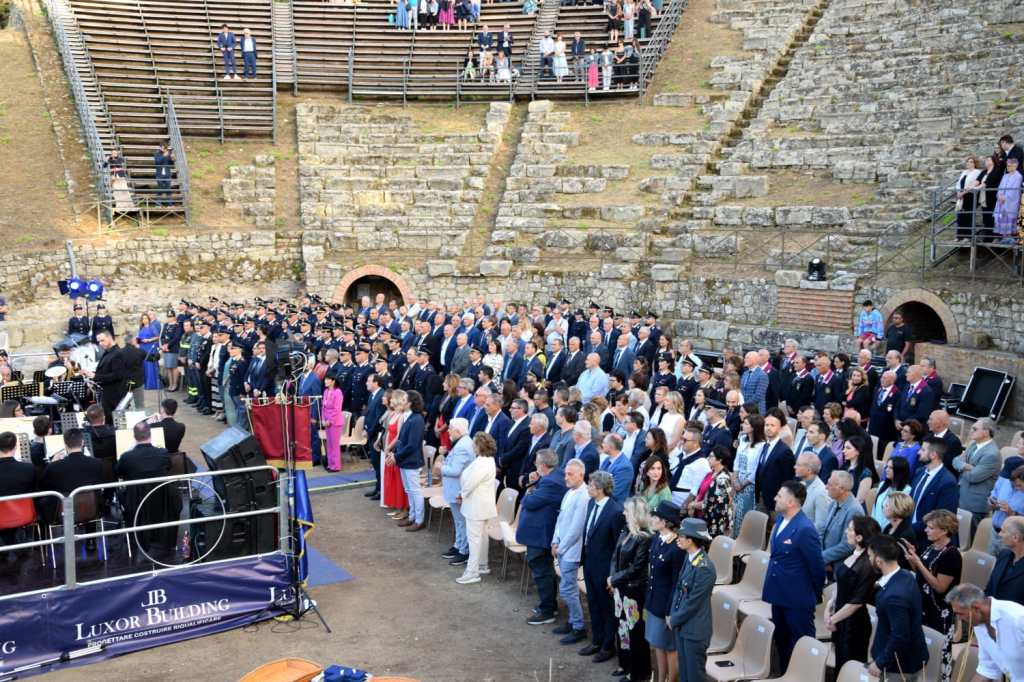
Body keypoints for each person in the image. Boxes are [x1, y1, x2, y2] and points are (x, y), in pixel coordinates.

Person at [762, 480, 825, 669]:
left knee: (801, 644)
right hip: (779, 594)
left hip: (797, 598)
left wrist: (811, 594)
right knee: (782, 642)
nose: (775, 498)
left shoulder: (805, 529)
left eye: (779, 496)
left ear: (791, 502)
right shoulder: (781, 520)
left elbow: (817, 568)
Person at [902, 509, 961, 679]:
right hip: (923, 607)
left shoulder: (952, 555)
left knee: (939, 655)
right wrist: (913, 558)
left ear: (944, 530)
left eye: (931, 528)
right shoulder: (931, 547)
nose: (926, 530)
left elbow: (940, 587)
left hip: (938, 612)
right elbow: (922, 575)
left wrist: (918, 563)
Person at [867, 535, 929, 680]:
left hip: (899, 665)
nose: (868, 560)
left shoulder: (894, 597)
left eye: (869, 556)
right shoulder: (906, 575)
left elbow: (900, 636)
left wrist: (880, 663)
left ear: (879, 561)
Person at [516, 449, 567, 624]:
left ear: (544, 466)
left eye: (537, 464)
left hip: (541, 534)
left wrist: (531, 489)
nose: (535, 466)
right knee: (545, 570)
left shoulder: (551, 483)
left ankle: (547, 610)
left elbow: (529, 502)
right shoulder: (554, 476)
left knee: (542, 571)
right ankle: (549, 605)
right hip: (541, 532)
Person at [579, 470, 625, 662]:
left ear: (599, 489)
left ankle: (608, 646)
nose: (587, 487)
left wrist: (612, 575)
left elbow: (618, 547)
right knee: (593, 604)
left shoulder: (615, 511)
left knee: (606, 608)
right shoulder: (591, 503)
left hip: (604, 569)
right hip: (590, 563)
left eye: (590, 485)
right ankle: (597, 640)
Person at [826, 516, 881, 671]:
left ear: (859, 537)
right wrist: (829, 607)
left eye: (850, 529)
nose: (846, 532)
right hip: (840, 618)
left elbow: (857, 602)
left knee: (849, 668)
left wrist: (833, 619)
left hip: (854, 625)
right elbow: (841, 584)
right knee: (840, 665)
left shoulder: (867, 564)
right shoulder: (853, 553)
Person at [608, 497, 652, 682]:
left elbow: (637, 567)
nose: (624, 513)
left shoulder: (644, 538)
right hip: (620, 588)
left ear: (635, 514)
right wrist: (612, 578)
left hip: (634, 591)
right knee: (621, 628)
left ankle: (637, 671)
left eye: (627, 511)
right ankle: (624, 664)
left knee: (635, 632)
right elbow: (614, 556)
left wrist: (614, 579)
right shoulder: (625, 531)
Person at [667, 518, 716, 682]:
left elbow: (692, 603)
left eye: (682, 535)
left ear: (691, 540)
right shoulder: (689, 558)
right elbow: (679, 590)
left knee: (695, 676)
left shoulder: (705, 568)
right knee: (685, 674)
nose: (678, 538)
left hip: (695, 630)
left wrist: (674, 618)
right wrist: (673, 614)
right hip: (683, 626)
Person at [948, 584, 1024, 681]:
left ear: (976, 608)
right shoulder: (979, 624)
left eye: (961, 614)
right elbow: (987, 670)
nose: (959, 619)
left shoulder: (1018, 618)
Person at [645, 501, 685, 682]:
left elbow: (677, 583)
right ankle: (660, 678)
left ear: (665, 521)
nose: (652, 519)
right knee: (657, 644)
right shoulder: (657, 539)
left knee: (670, 648)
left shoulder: (676, 548)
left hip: (666, 605)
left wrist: (670, 611)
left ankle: (671, 680)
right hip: (654, 601)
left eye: (655, 517)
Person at [551, 457, 590, 642]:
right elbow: (560, 520)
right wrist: (554, 541)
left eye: (570, 474)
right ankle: (573, 621)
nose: (566, 477)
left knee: (568, 589)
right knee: (567, 587)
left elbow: (576, 528)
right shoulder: (570, 493)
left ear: (581, 475)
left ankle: (578, 626)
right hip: (562, 547)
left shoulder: (583, 496)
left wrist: (561, 547)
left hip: (571, 551)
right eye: (565, 473)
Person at [457, 432, 498, 584]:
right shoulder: (485, 460)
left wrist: (461, 494)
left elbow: (470, 483)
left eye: (474, 443)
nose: (472, 446)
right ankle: (482, 565)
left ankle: (472, 572)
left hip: (476, 506)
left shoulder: (483, 462)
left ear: (480, 446)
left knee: (474, 539)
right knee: (481, 537)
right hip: (480, 505)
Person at [954, 417, 1002, 536]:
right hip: (961, 496)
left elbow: (973, 477)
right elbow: (955, 460)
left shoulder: (992, 454)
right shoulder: (974, 444)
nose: (970, 430)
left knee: (967, 538)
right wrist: (967, 466)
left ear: (986, 432)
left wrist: (962, 465)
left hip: (974, 505)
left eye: (974, 429)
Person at [392, 390, 426, 532]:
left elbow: (412, 444)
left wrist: (396, 456)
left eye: (405, 399)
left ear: (410, 402)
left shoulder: (417, 419)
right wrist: (395, 453)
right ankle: (412, 516)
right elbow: (401, 439)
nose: (403, 401)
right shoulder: (410, 417)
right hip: (405, 460)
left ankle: (419, 520)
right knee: (409, 490)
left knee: (415, 491)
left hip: (411, 461)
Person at [820, 470, 866, 574]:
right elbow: (824, 531)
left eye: (829, 484)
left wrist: (822, 557)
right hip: (825, 563)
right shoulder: (833, 503)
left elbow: (848, 545)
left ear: (841, 489)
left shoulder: (854, 510)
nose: (826, 487)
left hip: (838, 568)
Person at [83, 330, 127, 423]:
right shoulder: (107, 352)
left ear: (110, 338)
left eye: (102, 340)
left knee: (113, 423)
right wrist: (90, 374)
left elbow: (117, 375)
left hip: (114, 396)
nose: (100, 343)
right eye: (99, 341)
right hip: (106, 394)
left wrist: (95, 376)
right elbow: (104, 371)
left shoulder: (117, 353)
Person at [689, 445, 733, 537]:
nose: (708, 458)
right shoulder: (711, 473)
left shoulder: (723, 479)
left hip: (714, 522)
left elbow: (710, 503)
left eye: (711, 456)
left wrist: (693, 505)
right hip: (702, 515)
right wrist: (694, 503)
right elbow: (700, 491)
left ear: (719, 460)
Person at [985, 515, 1024, 605]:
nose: (999, 534)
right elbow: (990, 588)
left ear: (1015, 538)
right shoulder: (1004, 554)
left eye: (1003, 531)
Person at [989, 459, 1024, 556]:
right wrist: (992, 503)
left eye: (1019, 485)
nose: (1017, 487)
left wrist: (1012, 513)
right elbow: (993, 495)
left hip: (1013, 539)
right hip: (995, 531)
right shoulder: (1003, 479)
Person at [872, 456, 912, 527]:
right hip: (875, 527)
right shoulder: (882, 485)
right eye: (887, 467)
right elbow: (874, 509)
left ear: (899, 471)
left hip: (891, 530)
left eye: (891, 468)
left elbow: (900, 514)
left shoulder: (907, 490)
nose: (887, 470)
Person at [954, 156, 986, 240]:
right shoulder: (964, 172)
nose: (969, 163)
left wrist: (963, 192)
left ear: (975, 163)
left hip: (970, 196)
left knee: (968, 215)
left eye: (971, 162)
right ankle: (959, 236)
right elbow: (958, 183)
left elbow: (974, 184)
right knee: (960, 215)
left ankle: (968, 237)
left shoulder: (977, 172)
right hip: (961, 196)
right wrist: (958, 193)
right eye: (968, 161)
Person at [796, 451, 830, 530]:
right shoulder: (801, 484)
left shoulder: (821, 492)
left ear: (809, 470)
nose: (795, 467)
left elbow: (820, 526)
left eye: (798, 465)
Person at [995, 155, 1023, 244]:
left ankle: (1009, 237)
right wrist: (999, 195)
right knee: (1001, 218)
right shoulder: (1005, 176)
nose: (1008, 167)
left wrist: (1006, 197)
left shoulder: (1018, 176)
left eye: (1010, 165)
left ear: (1015, 166)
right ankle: (1004, 237)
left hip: (1010, 201)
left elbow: (1014, 189)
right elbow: (1000, 187)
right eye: (1007, 165)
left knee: (1009, 218)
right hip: (1001, 201)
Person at [321, 374, 345, 472]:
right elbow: (323, 407)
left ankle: (336, 466)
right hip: (326, 421)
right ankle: (330, 464)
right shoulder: (326, 391)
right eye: (325, 379)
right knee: (329, 444)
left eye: (327, 379)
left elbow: (337, 409)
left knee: (334, 445)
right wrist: (323, 419)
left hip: (335, 422)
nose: (325, 381)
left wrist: (329, 421)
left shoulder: (338, 392)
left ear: (333, 381)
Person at [137, 312, 161, 392]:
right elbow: (138, 338)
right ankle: (146, 382)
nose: (144, 320)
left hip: (150, 348)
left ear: (148, 319)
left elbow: (157, 337)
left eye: (146, 318)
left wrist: (148, 340)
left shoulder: (152, 327)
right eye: (143, 318)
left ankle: (152, 384)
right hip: (142, 348)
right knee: (144, 365)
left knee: (150, 365)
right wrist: (138, 342)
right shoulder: (141, 328)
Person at [154, 142, 175, 207]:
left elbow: (171, 164)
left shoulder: (168, 154)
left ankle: (170, 205)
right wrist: (164, 156)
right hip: (159, 175)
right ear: (160, 147)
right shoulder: (157, 154)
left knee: (168, 189)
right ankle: (158, 205)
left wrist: (172, 159)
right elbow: (157, 162)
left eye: (165, 147)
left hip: (167, 174)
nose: (164, 149)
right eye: (163, 147)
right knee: (160, 189)